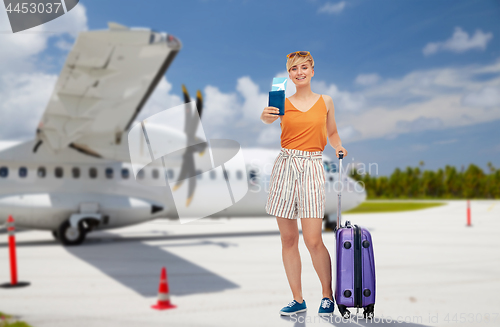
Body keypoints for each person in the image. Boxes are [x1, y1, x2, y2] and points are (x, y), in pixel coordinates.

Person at [260, 51, 348, 316]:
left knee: (312, 239)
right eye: (293, 69)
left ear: (312, 71)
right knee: (288, 239)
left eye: (304, 67)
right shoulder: (282, 103)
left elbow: (331, 132)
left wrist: (338, 146)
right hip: (285, 165)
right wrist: (266, 115)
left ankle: (326, 295)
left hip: (311, 166)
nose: (299, 72)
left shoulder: (326, 101)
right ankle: (297, 299)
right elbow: (268, 119)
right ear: (288, 75)